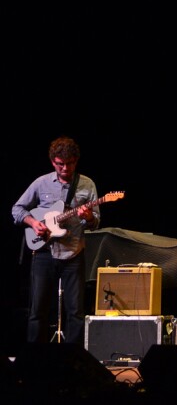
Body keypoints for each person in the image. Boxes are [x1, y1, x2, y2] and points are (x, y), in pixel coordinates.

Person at [12, 136, 101, 345]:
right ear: (53, 162)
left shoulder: (87, 184)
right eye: (60, 164)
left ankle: (72, 362)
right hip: (44, 253)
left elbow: (95, 222)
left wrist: (88, 216)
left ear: (75, 161)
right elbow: (17, 209)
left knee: (76, 313)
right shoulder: (41, 183)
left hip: (74, 254)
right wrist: (34, 223)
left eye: (69, 164)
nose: (65, 168)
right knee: (38, 311)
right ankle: (35, 360)